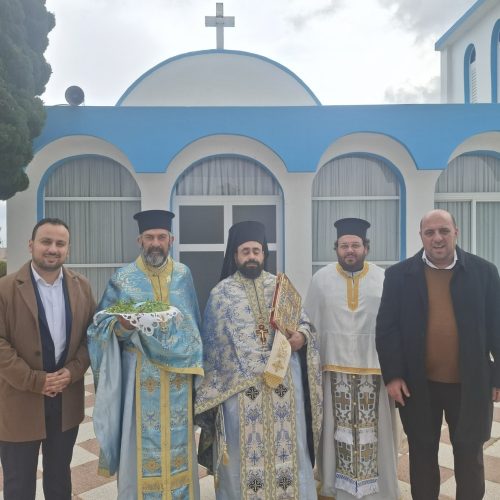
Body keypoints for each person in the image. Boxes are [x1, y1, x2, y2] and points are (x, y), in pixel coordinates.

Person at [376, 209, 500, 500]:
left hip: (470, 384)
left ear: (456, 232)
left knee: (469, 454)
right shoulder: (399, 275)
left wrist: (498, 377)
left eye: (444, 230)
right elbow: (387, 329)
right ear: (421, 236)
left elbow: (497, 326)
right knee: (421, 454)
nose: (437, 238)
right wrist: (393, 376)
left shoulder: (484, 272)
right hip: (418, 384)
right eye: (429, 232)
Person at [195, 220, 322, 500]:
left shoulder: (281, 287)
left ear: (264, 254)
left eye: (256, 251)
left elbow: (304, 324)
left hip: (284, 394)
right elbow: (212, 352)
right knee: (242, 461)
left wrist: (301, 337)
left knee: (288, 454)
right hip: (240, 396)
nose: (251, 256)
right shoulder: (221, 294)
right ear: (235, 255)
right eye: (245, 251)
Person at [87, 210, 203, 500]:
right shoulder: (123, 278)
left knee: (179, 446)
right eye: (149, 237)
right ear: (140, 240)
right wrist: (122, 326)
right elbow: (100, 325)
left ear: (171, 240)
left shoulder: (183, 275)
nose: (155, 243)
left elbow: (193, 324)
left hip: (177, 380)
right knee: (138, 444)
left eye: (161, 237)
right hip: (138, 377)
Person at [0, 217, 95, 500]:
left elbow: (92, 337)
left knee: (59, 480)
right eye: (46, 241)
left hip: (66, 400)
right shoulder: (5, 289)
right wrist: (35, 380)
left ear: (68, 249)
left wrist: (73, 372)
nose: (53, 249)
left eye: (60, 243)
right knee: (18, 484)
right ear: (31, 245)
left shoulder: (82, 286)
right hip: (19, 400)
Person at [304, 218, 399, 500]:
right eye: (344, 245)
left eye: (355, 245)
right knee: (335, 431)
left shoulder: (383, 278)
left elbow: (395, 325)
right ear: (336, 248)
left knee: (378, 432)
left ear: (366, 247)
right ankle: (335, 487)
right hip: (333, 371)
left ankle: (379, 490)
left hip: (375, 370)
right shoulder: (320, 280)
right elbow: (309, 323)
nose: (350, 250)